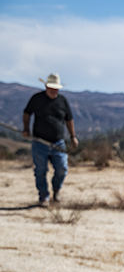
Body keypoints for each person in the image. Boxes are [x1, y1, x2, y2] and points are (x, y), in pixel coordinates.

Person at [23, 73, 79, 207]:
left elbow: (69, 120)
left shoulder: (63, 101)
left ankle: (56, 189)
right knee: (40, 170)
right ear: (46, 86)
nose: (54, 91)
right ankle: (43, 197)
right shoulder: (36, 99)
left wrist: (73, 136)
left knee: (62, 168)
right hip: (39, 141)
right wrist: (26, 129)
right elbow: (27, 113)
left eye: (56, 89)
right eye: (51, 88)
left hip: (58, 142)